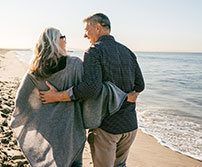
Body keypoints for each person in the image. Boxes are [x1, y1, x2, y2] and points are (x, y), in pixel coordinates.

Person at [10, 27, 137, 167]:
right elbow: (94, 90)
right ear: (54, 41)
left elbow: (21, 102)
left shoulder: (35, 70)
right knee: (75, 163)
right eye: (62, 37)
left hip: (48, 126)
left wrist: (39, 115)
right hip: (72, 126)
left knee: (56, 161)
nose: (65, 40)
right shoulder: (75, 65)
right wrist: (123, 96)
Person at [39, 13, 145, 167]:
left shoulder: (94, 51)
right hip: (130, 126)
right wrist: (125, 96)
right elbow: (140, 85)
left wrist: (58, 96)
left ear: (98, 27)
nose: (84, 35)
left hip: (107, 127)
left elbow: (90, 88)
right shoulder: (127, 51)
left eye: (87, 30)